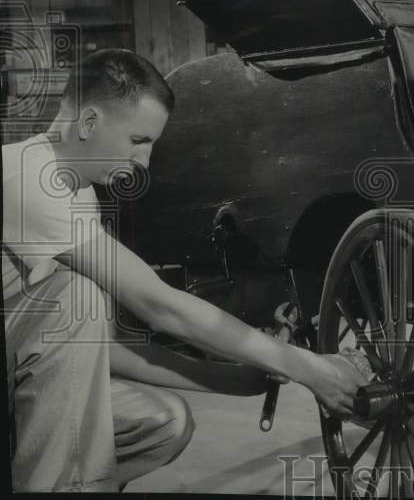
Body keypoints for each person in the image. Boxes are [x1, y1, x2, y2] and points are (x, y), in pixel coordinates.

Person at [2, 49, 369, 491]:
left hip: (23, 374)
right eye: (139, 140)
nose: (145, 161)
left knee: (162, 424)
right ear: (89, 123)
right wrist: (308, 367)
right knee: (75, 294)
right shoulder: (27, 178)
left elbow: (97, 346)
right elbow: (160, 305)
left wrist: (238, 377)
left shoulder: (78, 192)